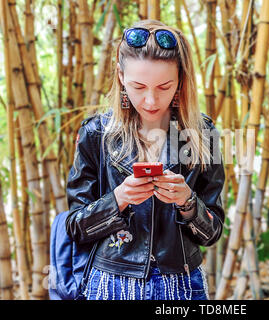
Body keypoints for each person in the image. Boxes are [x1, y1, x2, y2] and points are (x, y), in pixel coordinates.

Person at [65, 19, 225, 300]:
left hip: (183, 285)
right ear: (120, 76)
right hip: (110, 284)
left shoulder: (202, 135)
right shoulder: (96, 134)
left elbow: (211, 233)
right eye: (139, 87)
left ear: (181, 81)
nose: (151, 100)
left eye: (164, 87)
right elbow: (76, 228)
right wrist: (118, 199)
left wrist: (187, 202)